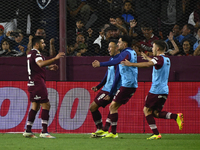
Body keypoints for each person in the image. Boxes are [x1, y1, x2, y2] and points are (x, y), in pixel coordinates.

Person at [121, 40, 184, 140]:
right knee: (155, 113)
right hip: (164, 90)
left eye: (153, 47)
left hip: (156, 90)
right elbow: (156, 63)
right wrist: (148, 58)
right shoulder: (166, 59)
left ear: (158, 48)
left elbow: (148, 65)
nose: (152, 49)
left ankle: (156, 133)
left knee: (146, 110)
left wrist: (131, 64)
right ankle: (176, 116)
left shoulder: (158, 58)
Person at [92, 35, 138, 138]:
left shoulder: (125, 54)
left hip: (127, 84)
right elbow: (112, 70)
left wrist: (101, 64)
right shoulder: (128, 53)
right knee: (113, 106)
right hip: (129, 84)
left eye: (120, 42)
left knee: (111, 106)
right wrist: (99, 86)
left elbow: (116, 69)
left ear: (124, 44)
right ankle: (107, 130)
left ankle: (112, 132)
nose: (118, 44)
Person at [23, 36, 65, 138]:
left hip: (31, 83)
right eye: (42, 43)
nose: (44, 44)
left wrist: (48, 67)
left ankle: (28, 130)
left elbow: (37, 66)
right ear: (37, 44)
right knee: (46, 105)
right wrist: (54, 58)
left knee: (35, 106)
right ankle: (44, 132)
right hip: (38, 83)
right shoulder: (36, 53)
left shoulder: (30, 53)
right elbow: (40, 64)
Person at [90, 40, 120, 137]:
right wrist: (99, 86)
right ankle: (102, 129)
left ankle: (103, 129)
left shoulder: (119, 60)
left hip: (111, 89)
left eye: (110, 47)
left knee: (94, 107)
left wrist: (111, 93)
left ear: (117, 48)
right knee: (94, 108)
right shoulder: (112, 59)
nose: (108, 49)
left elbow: (117, 77)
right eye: (108, 47)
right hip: (106, 88)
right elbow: (108, 74)